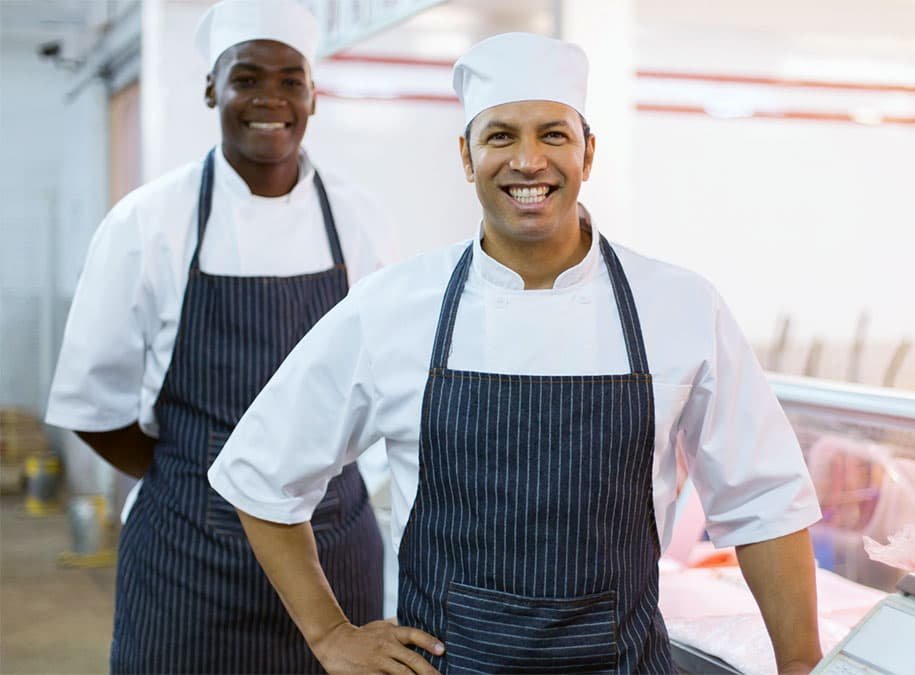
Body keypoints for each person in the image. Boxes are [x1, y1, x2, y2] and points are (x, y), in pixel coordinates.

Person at [211, 32, 824, 674]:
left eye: (553, 135)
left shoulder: (682, 306)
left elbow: (764, 504)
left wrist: (804, 667)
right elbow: (260, 472)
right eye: (500, 136)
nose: (528, 161)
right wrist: (331, 635)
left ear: (588, 153)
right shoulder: (393, 306)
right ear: (466, 158)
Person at [43, 1, 388, 671]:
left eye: (291, 80)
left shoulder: (360, 219)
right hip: (189, 561)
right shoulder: (146, 223)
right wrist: (198, 479)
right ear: (211, 87)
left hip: (337, 553)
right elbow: (93, 407)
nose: (271, 99)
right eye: (247, 77)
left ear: (313, 93)